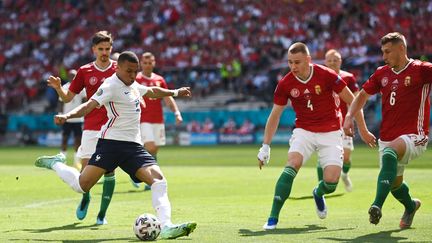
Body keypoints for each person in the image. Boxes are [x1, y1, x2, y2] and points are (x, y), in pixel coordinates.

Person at [35, 51, 197, 239]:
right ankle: (55, 163)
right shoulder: (110, 85)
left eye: (135, 71)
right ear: (118, 68)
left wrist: (176, 92)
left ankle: (167, 226)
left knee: (159, 181)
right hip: (110, 144)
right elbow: (88, 106)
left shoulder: (133, 83)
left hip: (133, 147)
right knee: (82, 186)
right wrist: (67, 116)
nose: (132, 75)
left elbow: (152, 91)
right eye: (129, 71)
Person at [257, 42, 375, 230]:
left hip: (331, 132)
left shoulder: (327, 75)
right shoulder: (285, 83)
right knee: (292, 164)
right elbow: (275, 115)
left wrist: (362, 128)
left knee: (331, 182)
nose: (293, 67)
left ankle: (318, 192)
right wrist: (265, 146)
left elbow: (352, 100)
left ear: (308, 60)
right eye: (290, 63)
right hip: (304, 131)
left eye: (297, 62)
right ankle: (273, 218)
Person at [343, 32, 432, 229]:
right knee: (394, 184)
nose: (384, 56)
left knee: (391, 153)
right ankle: (411, 206)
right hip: (388, 137)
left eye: (387, 51)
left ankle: (376, 205)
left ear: (401, 48)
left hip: (415, 136)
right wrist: (349, 117)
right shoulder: (382, 73)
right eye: (382, 52)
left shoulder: (421, 69)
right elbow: (362, 95)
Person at [46, 31, 117, 225]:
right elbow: (68, 98)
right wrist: (59, 88)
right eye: (100, 49)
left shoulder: (119, 69)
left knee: (109, 172)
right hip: (91, 127)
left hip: (113, 128)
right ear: (93, 49)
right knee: (86, 174)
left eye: (107, 49)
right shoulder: (85, 71)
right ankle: (86, 197)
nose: (104, 52)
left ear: (111, 49)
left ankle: (102, 214)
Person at [132, 52, 183, 189]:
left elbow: (167, 97)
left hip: (157, 119)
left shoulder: (159, 79)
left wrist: (176, 113)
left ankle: (137, 169)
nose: (148, 65)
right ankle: (149, 178)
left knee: (155, 150)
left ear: (154, 63)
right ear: (141, 63)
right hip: (143, 119)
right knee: (150, 147)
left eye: (150, 63)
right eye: (145, 63)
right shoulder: (136, 79)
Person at [316, 49, 359, 192]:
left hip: (344, 124)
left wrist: (352, 117)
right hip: (326, 123)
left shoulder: (348, 77)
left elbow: (356, 99)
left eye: (335, 60)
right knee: (322, 156)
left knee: (346, 156)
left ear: (340, 61)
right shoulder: (319, 78)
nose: (332, 62)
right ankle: (321, 187)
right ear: (325, 62)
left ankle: (345, 175)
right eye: (329, 60)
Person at [58, 69, 86, 170]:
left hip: (78, 119)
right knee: (64, 139)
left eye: (74, 76)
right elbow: (61, 102)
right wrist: (60, 114)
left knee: (78, 141)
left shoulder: (81, 88)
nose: (72, 78)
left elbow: (84, 101)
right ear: (68, 77)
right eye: (71, 76)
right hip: (67, 118)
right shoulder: (64, 87)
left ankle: (76, 162)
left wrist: (85, 113)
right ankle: (62, 160)